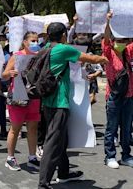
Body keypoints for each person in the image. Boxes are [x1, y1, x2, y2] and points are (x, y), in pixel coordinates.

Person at [38, 22, 108, 189]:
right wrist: (103, 59)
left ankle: (63, 173)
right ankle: (43, 184)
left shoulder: (46, 48)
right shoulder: (63, 49)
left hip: (47, 102)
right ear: (63, 35)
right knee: (53, 143)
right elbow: (90, 58)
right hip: (59, 103)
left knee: (61, 140)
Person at [2, 31, 41, 171]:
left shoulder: (39, 57)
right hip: (18, 95)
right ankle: (10, 158)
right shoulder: (16, 56)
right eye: (32, 40)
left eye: (37, 40)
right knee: (15, 128)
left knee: (33, 127)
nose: (35, 43)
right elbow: (4, 75)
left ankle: (32, 157)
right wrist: (10, 73)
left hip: (34, 95)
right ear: (24, 42)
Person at [102, 12, 133, 169]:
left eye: (124, 40)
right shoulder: (108, 51)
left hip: (129, 96)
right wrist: (108, 22)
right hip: (114, 96)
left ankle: (126, 155)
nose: (121, 42)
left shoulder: (129, 51)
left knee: (127, 129)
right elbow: (106, 38)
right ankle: (110, 156)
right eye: (118, 40)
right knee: (111, 128)